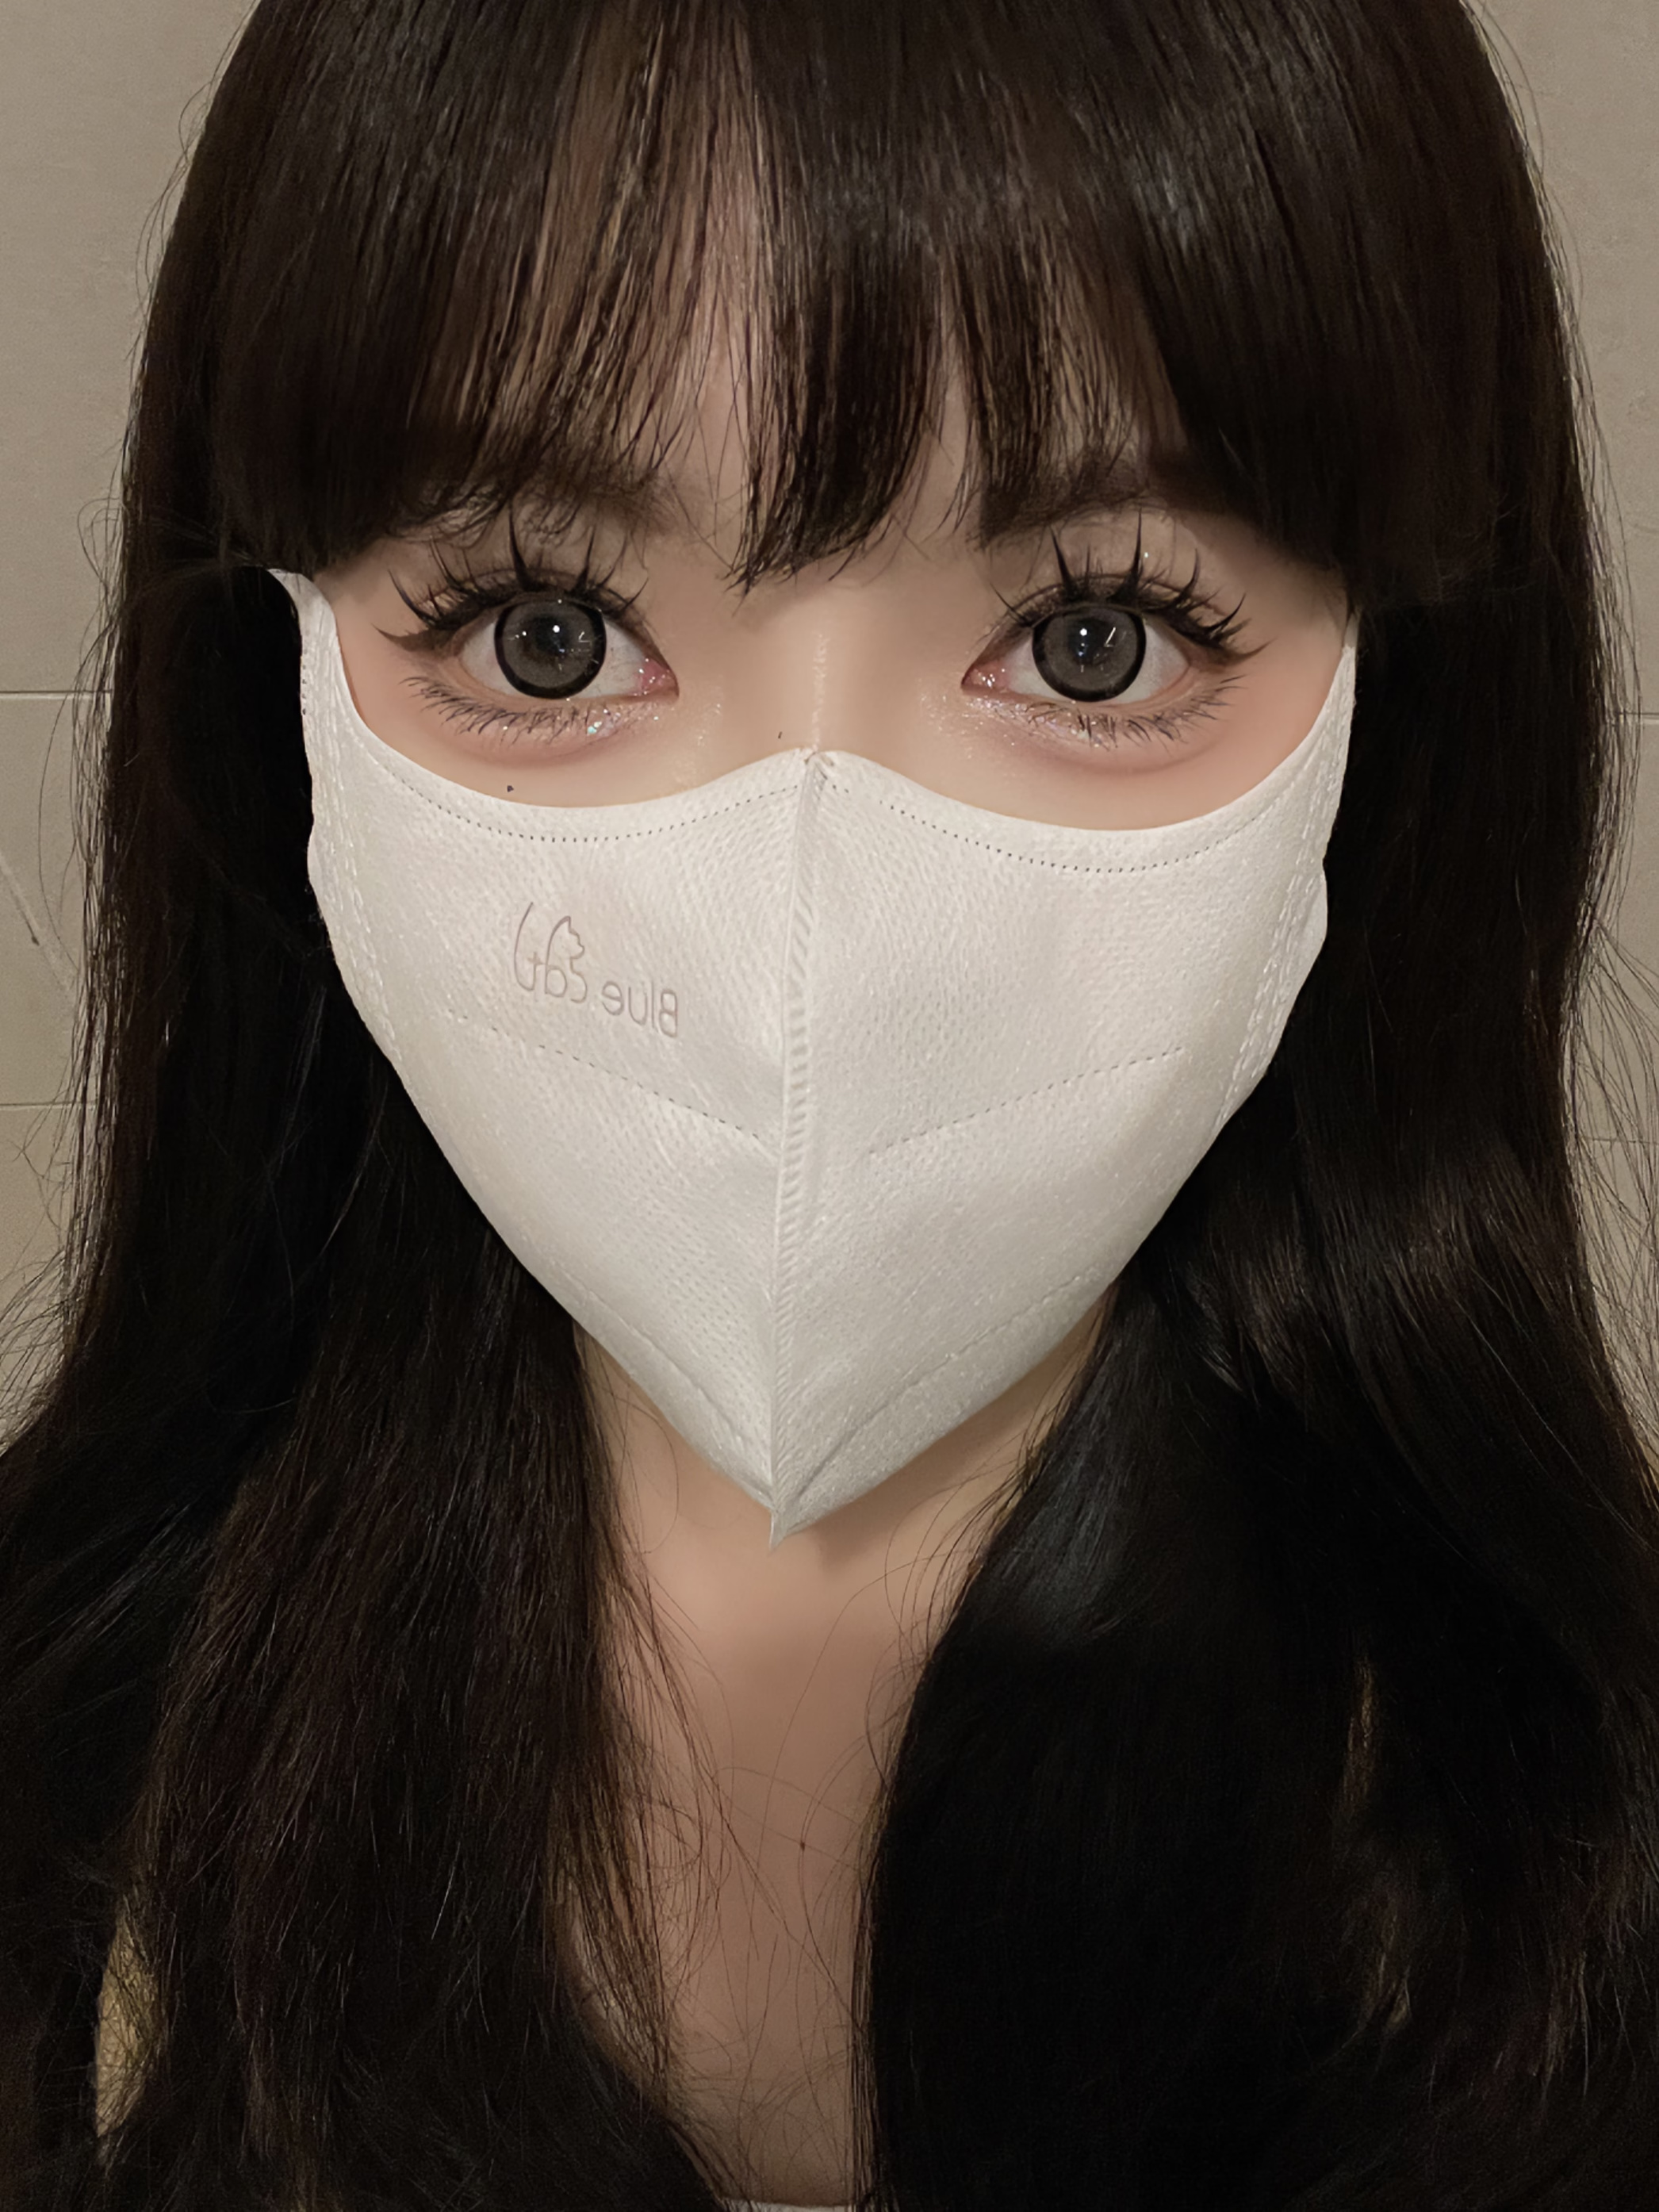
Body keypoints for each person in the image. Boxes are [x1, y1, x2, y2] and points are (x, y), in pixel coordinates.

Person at [3, 0, 1657, 2205]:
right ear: (274, 688)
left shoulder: (1567, 1850)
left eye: (1092, 637)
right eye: (547, 632)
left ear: (1405, 709)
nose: (802, 914)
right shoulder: (73, 1803)